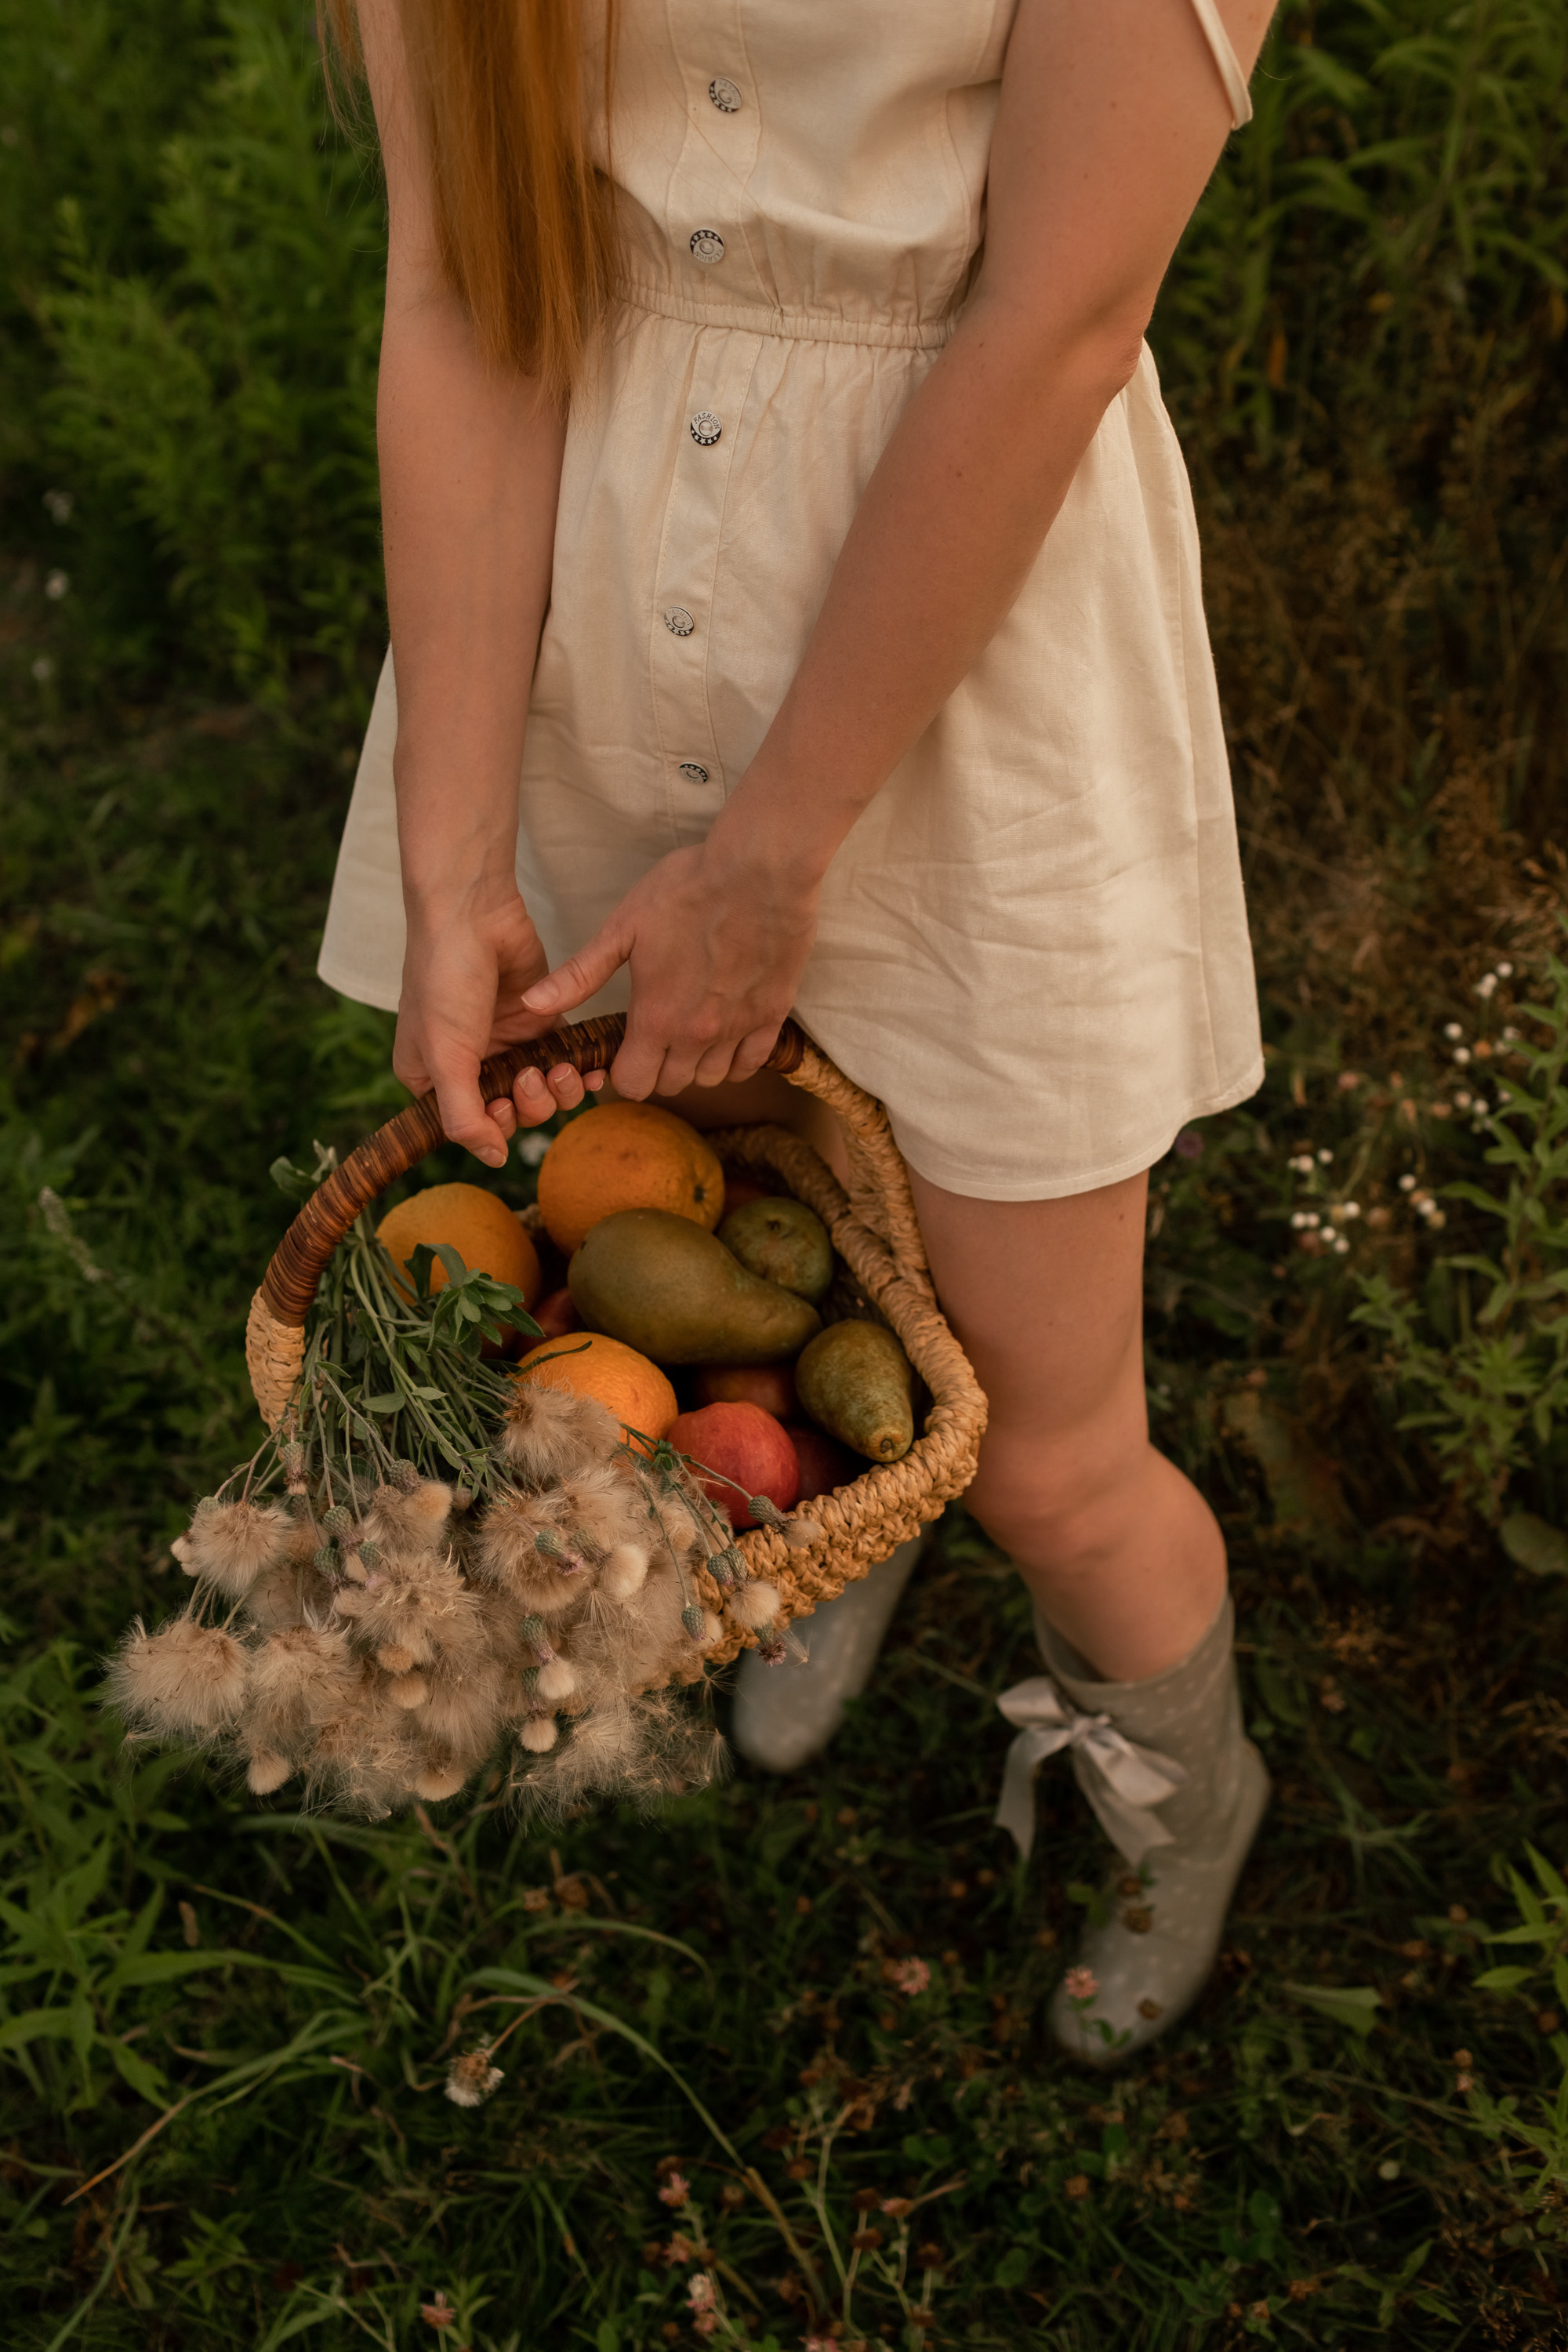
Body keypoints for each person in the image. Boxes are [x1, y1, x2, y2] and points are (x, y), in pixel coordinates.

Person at [318, 0, 1276, 2066]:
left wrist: (774, 854)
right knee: (741, 1263)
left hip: (964, 602)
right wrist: (457, 840)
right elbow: (465, 276)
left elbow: (1061, 316)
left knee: (1044, 1451)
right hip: (584, 576)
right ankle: (841, 1518)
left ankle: (1186, 1804)